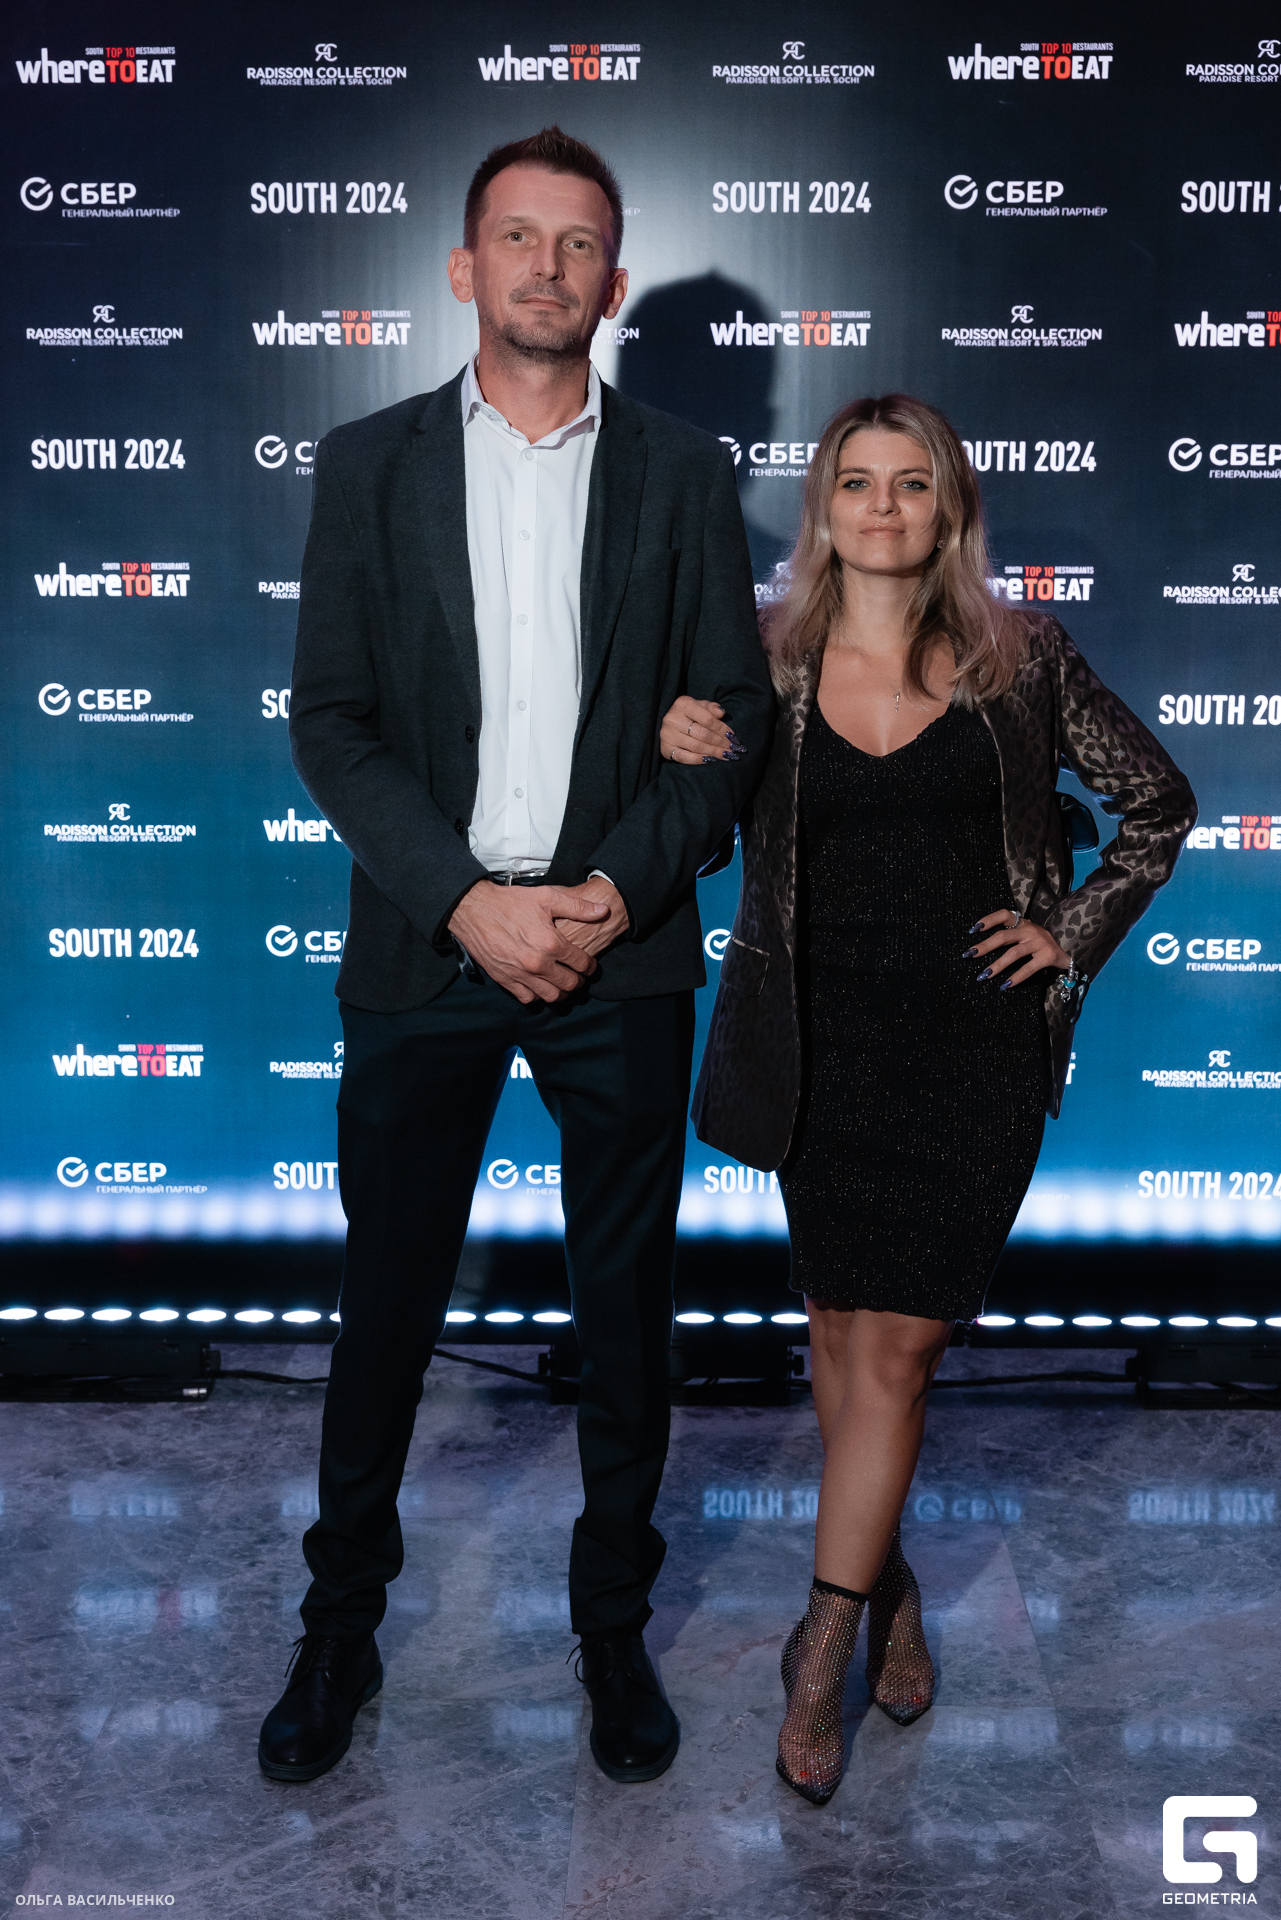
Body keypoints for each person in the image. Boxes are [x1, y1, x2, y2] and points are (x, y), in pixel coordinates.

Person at [260, 127, 774, 1787]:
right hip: (431, 944)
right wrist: (464, 901)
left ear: (612, 284)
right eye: (518, 236)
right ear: (464, 265)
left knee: (623, 1313)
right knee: (386, 1306)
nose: (547, 267)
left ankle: (612, 1629)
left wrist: (612, 893)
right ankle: (339, 1626)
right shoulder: (368, 463)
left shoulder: (684, 472)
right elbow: (330, 725)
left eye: (577, 244)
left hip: (619, 949)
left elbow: (728, 721)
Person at [667, 394, 1195, 1805]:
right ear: (823, 508)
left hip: (970, 1053)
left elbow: (1157, 806)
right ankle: (889, 1589)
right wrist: (678, 748)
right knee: (841, 1337)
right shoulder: (762, 662)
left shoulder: (1023, 658)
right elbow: (702, 834)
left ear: (949, 506)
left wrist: (1068, 933)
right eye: (857, 482)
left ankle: (820, 1646)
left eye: (913, 483)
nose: (884, 507)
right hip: (816, 1046)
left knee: (898, 1353)